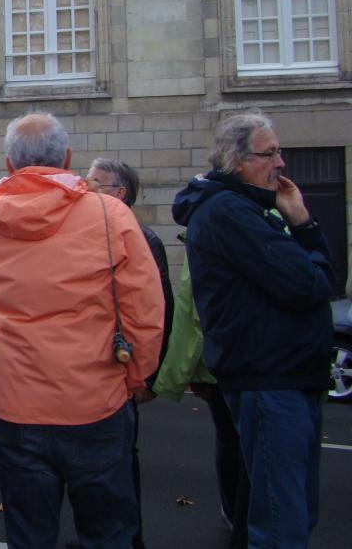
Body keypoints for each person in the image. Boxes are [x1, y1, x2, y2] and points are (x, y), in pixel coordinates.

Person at [0, 112, 164, 549]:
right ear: (67, 157)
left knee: (29, 534)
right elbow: (144, 309)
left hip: (15, 401)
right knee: (107, 533)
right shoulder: (110, 214)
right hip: (93, 399)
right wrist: (136, 377)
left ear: (9, 164)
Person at [172, 112, 336, 548]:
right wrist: (303, 227)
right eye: (270, 153)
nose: (281, 163)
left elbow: (316, 281)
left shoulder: (246, 208)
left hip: (285, 377)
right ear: (236, 160)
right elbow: (310, 284)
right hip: (270, 380)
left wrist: (302, 228)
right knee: (281, 521)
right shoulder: (229, 212)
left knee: (290, 511)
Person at [84, 158, 174, 549]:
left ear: (118, 194)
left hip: (124, 373)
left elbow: (158, 310)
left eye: (94, 184)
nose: (84, 190)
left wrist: (146, 377)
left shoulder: (141, 237)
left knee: (120, 461)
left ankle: (127, 538)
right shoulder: (96, 233)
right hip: (100, 372)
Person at [152, 254, 248, 548]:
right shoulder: (270, 224)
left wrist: (181, 370)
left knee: (232, 440)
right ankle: (241, 519)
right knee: (248, 446)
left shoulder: (206, 227)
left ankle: (235, 513)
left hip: (220, 359)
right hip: (252, 362)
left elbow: (187, 310)